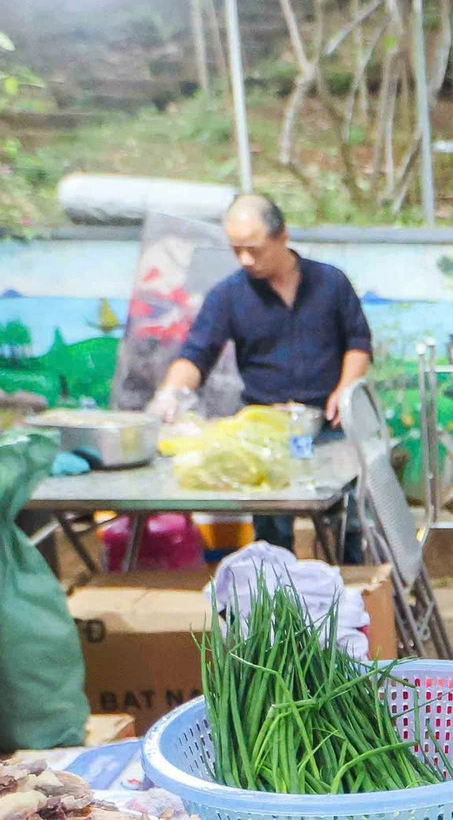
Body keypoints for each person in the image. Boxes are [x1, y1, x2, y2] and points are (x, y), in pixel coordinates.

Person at [149, 193, 372, 553]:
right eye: (237, 250)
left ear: (282, 236)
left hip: (333, 428)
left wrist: (344, 391)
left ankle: (359, 593)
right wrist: (170, 394)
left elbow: (359, 343)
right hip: (267, 434)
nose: (246, 260)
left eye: (255, 249)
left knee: (351, 524)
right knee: (272, 535)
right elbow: (196, 355)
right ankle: (276, 604)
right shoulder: (227, 296)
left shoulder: (331, 283)